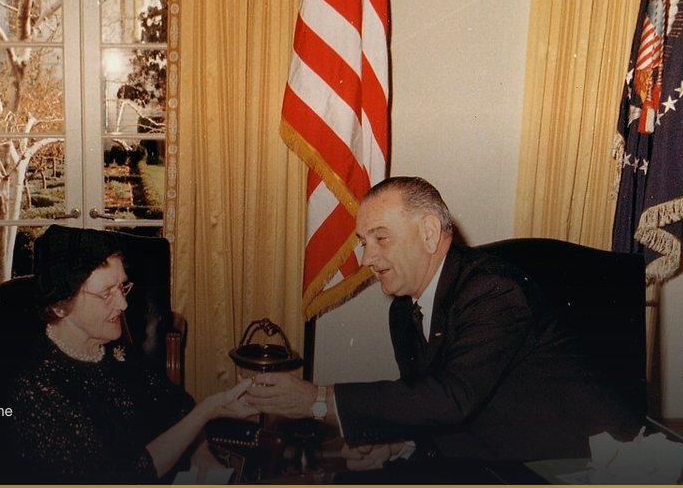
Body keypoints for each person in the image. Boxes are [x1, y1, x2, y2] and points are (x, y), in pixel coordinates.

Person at [245, 177, 640, 468]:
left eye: (380, 238)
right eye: (364, 242)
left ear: (429, 233)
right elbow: (426, 403)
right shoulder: (403, 310)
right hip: (487, 451)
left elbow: (450, 399)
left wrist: (318, 400)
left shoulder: (493, 290)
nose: (366, 259)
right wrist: (397, 445)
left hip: (570, 465)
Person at [8, 225, 256, 483]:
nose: (123, 304)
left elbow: (176, 407)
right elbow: (126, 476)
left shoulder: (113, 350)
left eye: (122, 288)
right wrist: (206, 411)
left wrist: (201, 455)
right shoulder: (38, 389)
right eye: (106, 294)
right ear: (60, 306)